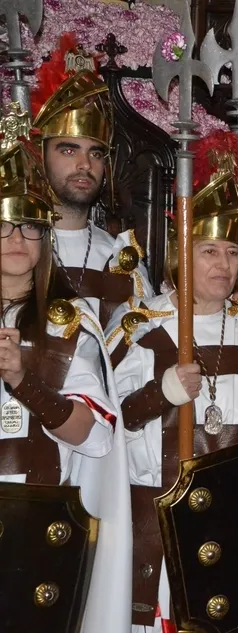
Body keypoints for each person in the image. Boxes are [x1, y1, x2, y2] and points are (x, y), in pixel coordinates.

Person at [108, 131, 238, 632]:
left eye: (233, 253)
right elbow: (110, 424)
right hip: (165, 518)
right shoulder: (140, 329)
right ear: (183, 253)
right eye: (210, 251)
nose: (224, 265)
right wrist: (160, 394)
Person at [0, 104, 132, 631]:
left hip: (38, 517)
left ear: (45, 238)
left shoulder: (68, 324)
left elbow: (95, 437)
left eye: (29, 228)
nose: (16, 240)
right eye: (3, 226)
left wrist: (24, 382)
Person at [31, 33, 153, 326]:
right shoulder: (16, 248)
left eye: (96, 153)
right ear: (39, 156)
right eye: (69, 150)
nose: (85, 164)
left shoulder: (121, 259)